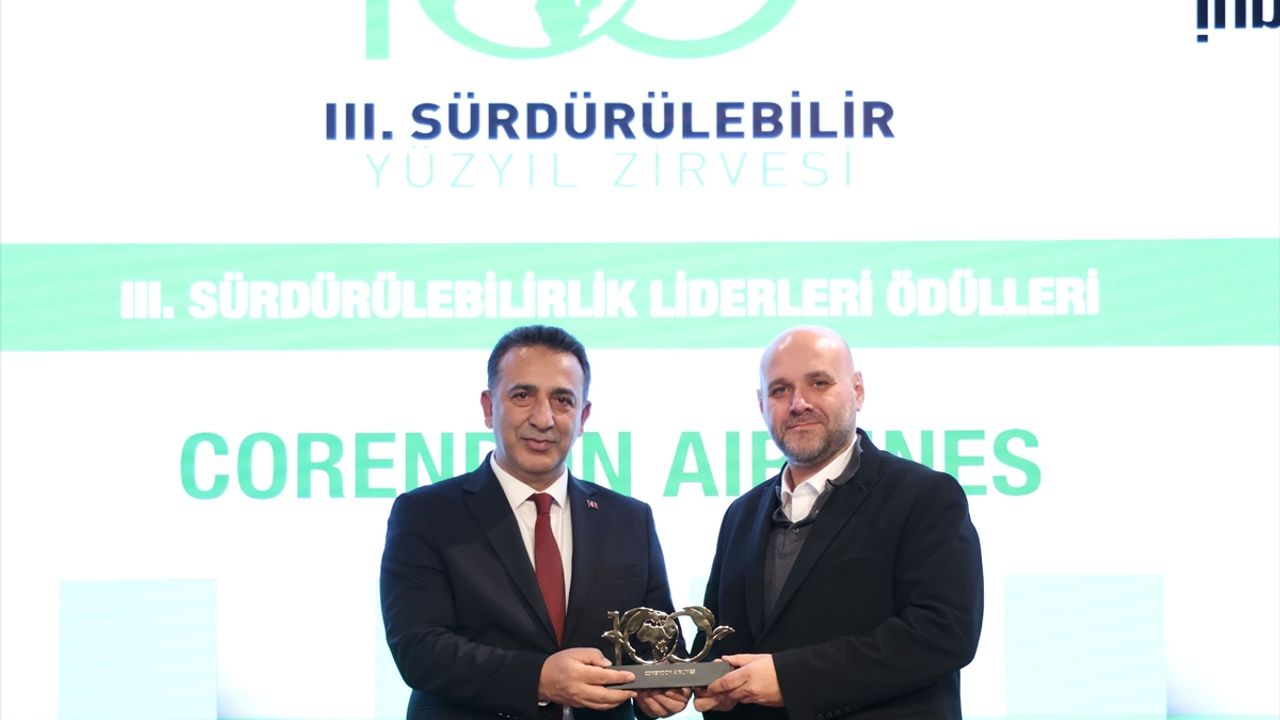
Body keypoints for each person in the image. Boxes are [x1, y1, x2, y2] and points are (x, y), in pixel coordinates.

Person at [381, 325, 691, 720]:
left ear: (583, 416)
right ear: (489, 407)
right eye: (522, 396)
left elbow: (659, 643)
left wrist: (663, 687)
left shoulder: (629, 519)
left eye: (562, 400)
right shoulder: (426, 514)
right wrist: (539, 679)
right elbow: (419, 650)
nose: (543, 418)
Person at [694, 326, 983, 719]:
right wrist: (673, 683)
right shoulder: (740, 516)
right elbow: (719, 645)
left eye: (819, 383)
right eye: (780, 390)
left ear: (857, 390)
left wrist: (790, 679)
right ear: (761, 404)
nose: (798, 403)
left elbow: (944, 633)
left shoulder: (925, 496)